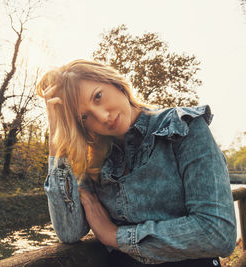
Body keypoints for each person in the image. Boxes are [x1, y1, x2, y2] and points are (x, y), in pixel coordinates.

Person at [36, 59, 236, 266]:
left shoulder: (182, 128)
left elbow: (218, 233)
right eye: (85, 117)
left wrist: (115, 236)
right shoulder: (94, 161)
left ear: (113, 82)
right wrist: (56, 135)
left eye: (98, 96)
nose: (103, 116)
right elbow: (69, 232)